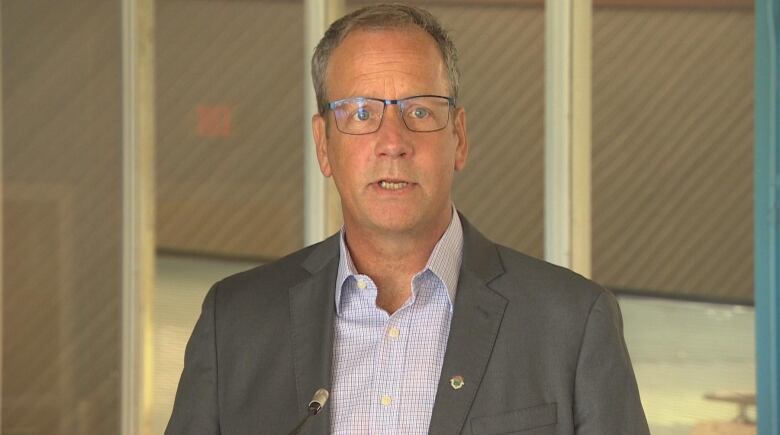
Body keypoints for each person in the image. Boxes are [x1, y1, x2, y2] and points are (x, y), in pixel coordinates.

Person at [165, 4, 650, 434]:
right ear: (323, 145)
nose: (392, 141)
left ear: (458, 138)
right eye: (360, 113)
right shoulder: (234, 323)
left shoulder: (572, 324)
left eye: (419, 110)